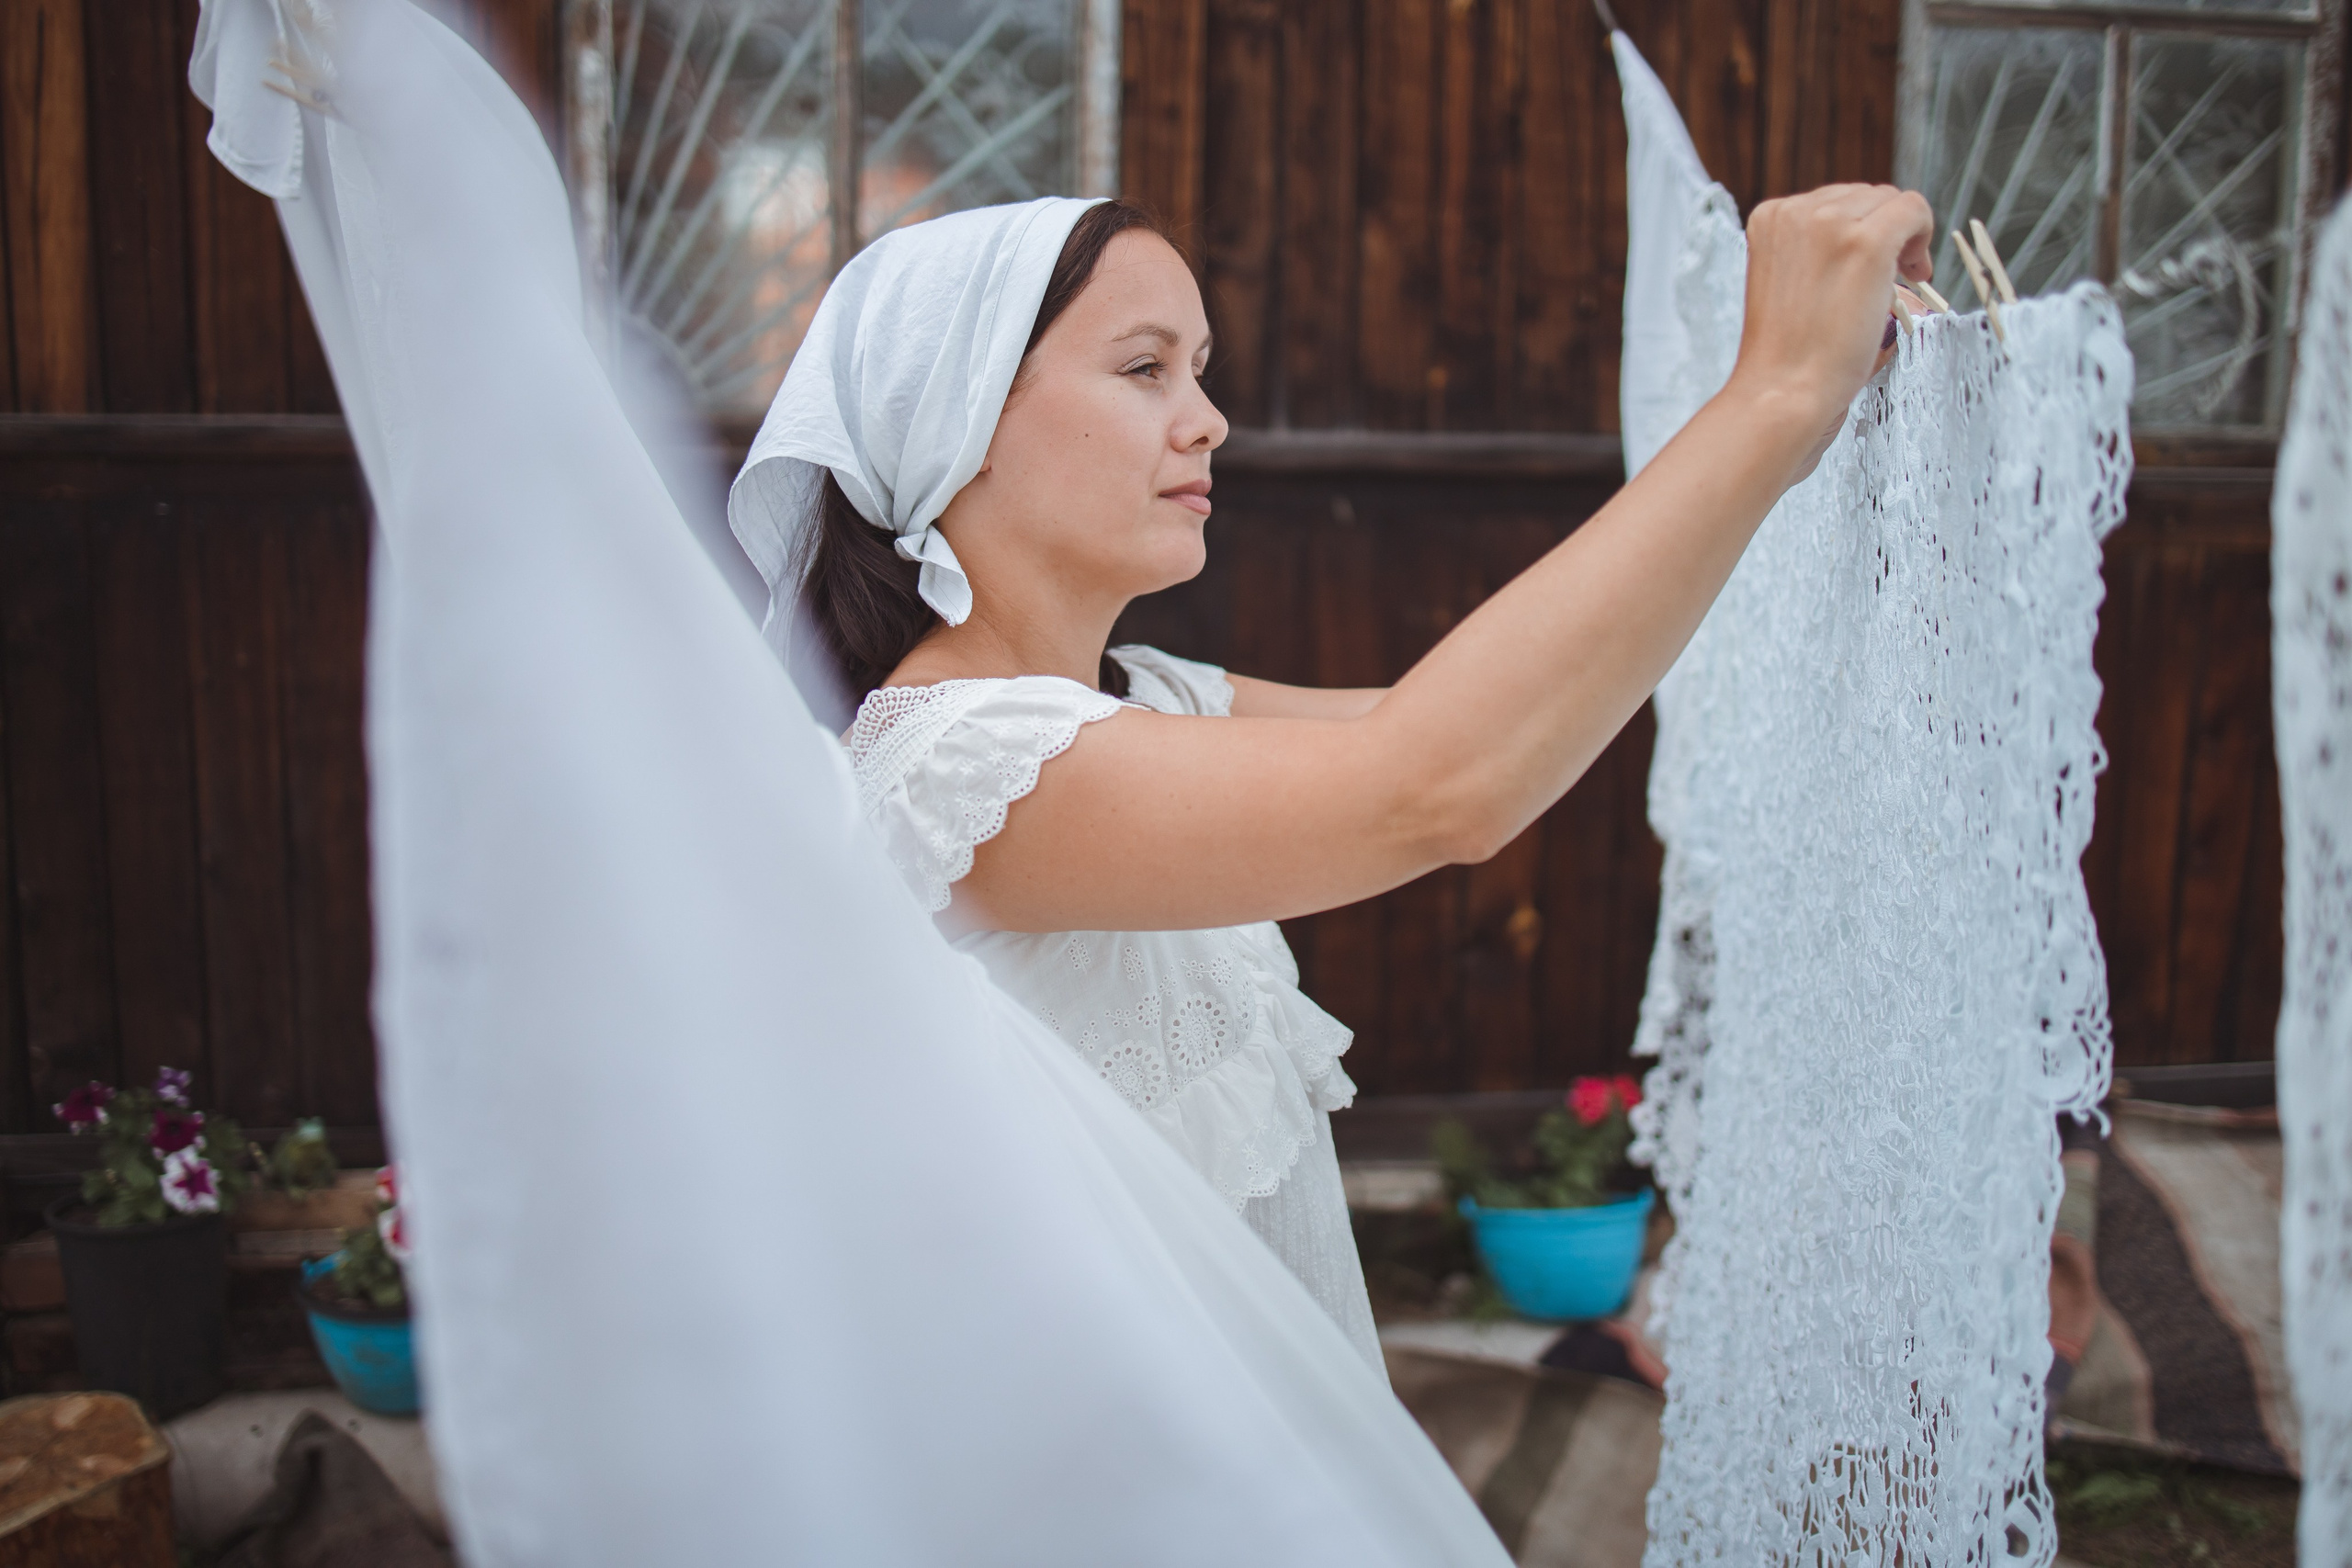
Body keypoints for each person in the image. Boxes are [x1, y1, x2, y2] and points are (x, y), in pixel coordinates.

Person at [730, 187, 1933, 1364]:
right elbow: (1442, 783)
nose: (1208, 420)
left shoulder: (1155, 699)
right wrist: (1771, 396)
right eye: (1146, 368)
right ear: (957, 414)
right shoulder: (948, 768)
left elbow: (1516, 719)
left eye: (1199, 369)